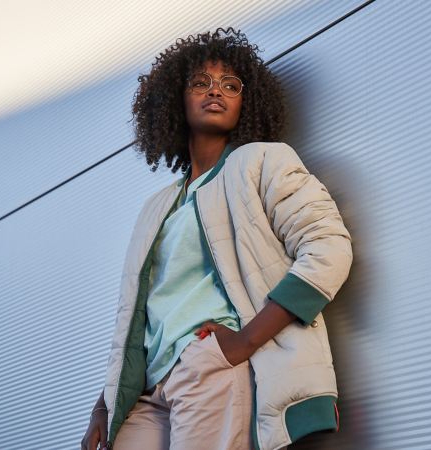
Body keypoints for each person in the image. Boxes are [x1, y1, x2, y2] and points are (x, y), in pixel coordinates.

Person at [80, 27, 353, 450]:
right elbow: (137, 315)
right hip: (149, 388)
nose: (216, 92)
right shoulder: (157, 206)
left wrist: (244, 341)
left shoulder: (261, 162)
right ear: (176, 98)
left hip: (210, 363)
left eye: (231, 84)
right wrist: (105, 402)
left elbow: (328, 247)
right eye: (201, 82)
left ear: (247, 100)